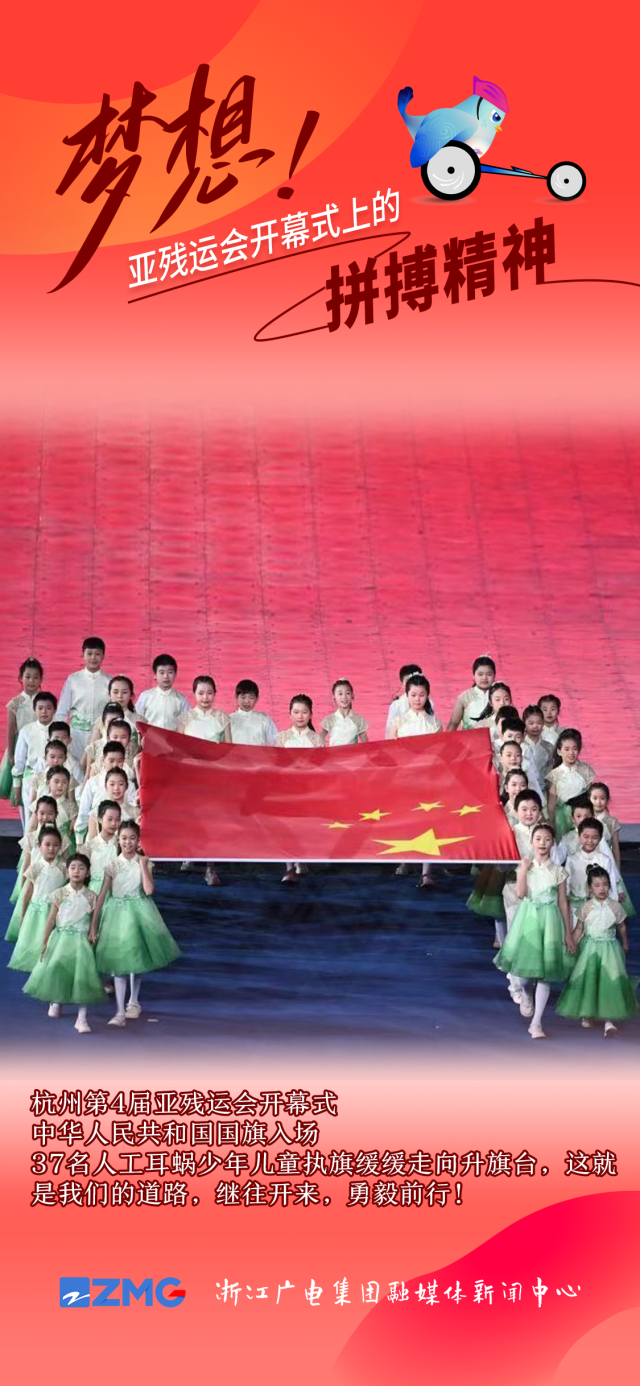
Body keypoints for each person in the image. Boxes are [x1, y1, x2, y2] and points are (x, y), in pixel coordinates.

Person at [91, 821, 180, 1026]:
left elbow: (149, 890)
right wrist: (94, 924)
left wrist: (142, 865)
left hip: (140, 912)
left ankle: (133, 1001)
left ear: (138, 840)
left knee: (137, 959)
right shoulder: (112, 865)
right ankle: (119, 1012)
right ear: (118, 840)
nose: (128, 842)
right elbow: (102, 895)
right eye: (124, 838)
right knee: (119, 964)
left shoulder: (145, 862)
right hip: (116, 915)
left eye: (132, 838)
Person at [494, 823, 575, 1039]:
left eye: (547, 839)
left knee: (545, 975)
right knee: (524, 972)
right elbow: (521, 893)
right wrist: (523, 869)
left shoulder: (559, 871)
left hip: (550, 922)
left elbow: (563, 902)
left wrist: (568, 932)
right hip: (528, 919)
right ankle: (525, 992)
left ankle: (536, 1023)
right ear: (531, 842)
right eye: (538, 839)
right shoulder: (526, 866)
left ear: (553, 843)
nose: (542, 843)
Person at [22, 853, 105, 1034]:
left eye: (81, 868)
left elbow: (94, 920)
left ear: (88, 873)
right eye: (72, 867)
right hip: (60, 939)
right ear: (67, 872)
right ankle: (57, 1001)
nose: (76, 871)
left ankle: (82, 1018)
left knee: (83, 976)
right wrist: (44, 941)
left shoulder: (92, 896)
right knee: (59, 970)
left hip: (81, 941)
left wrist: (93, 933)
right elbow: (51, 919)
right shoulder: (59, 894)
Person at [556, 865, 638, 1036]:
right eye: (597, 885)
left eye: (605, 884)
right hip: (590, 949)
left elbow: (622, 926)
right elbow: (579, 928)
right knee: (590, 979)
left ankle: (609, 1019)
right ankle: (588, 1012)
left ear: (610, 886)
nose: (602, 889)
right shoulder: (586, 907)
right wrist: (572, 941)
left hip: (609, 949)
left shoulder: (615, 906)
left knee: (609, 981)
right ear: (590, 888)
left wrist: (625, 942)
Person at [177, 677, 231, 885]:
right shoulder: (185, 718)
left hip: (214, 775)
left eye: (209, 693)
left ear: (215, 694)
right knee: (191, 816)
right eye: (201, 693)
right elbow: (178, 748)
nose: (205, 697)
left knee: (212, 820)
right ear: (194, 694)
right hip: (190, 774)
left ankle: (211, 867)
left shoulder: (223, 717)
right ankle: (189, 854)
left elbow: (229, 749)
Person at [8, 827, 67, 973]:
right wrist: (23, 914)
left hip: (54, 910)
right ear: (39, 846)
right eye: (47, 844)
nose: (51, 848)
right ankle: (34, 962)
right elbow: (28, 892)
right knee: (33, 936)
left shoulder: (64, 868)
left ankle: (46, 963)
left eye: (55, 845)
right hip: (35, 909)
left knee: (50, 939)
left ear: (60, 846)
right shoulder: (35, 867)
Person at [276, 695, 322, 883]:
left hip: (308, 789)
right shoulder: (281, 737)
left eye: (304, 712)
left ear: (310, 714)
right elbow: (276, 764)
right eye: (296, 712)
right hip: (286, 789)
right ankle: (289, 867)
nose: (300, 716)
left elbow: (321, 766)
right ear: (289, 714)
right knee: (286, 828)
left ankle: (301, 859)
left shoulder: (317, 739)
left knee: (304, 827)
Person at [57, 638, 110, 758]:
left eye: (97, 654)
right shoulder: (73, 679)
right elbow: (62, 711)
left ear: (103, 656)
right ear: (83, 655)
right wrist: (60, 735)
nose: (93, 657)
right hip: (75, 735)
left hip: (100, 736)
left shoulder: (109, 681)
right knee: (75, 766)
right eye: (89, 653)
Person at [11, 691, 58, 825]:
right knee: (30, 816)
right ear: (34, 709)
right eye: (40, 708)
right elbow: (19, 761)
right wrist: (16, 786)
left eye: (48, 708)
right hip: (31, 779)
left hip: (55, 779)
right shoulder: (26, 730)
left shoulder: (60, 730)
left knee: (53, 817)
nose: (44, 712)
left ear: (55, 710)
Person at [1, 657, 43, 799]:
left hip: (40, 744)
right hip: (20, 746)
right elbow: (10, 731)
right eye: (28, 677)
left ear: (41, 680)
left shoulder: (44, 701)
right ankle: (23, 813)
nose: (31, 681)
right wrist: (11, 754)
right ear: (20, 678)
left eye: (36, 677)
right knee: (20, 782)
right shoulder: (15, 703)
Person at [565, 818, 621, 923]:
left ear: (600, 838)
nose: (590, 841)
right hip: (576, 909)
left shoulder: (604, 860)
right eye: (586, 837)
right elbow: (566, 888)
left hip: (599, 909)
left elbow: (612, 887)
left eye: (595, 837)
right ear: (579, 836)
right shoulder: (571, 859)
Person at [546, 730, 596, 837]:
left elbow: (591, 797)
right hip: (561, 818)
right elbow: (551, 804)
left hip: (582, 816)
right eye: (567, 749)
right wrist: (551, 822)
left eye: (575, 749)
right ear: (559, 751)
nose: (571, 753)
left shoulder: (586, 770)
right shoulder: (554, 774)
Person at [135, 654, 190, 729]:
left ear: (175, 674)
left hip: (172, 736)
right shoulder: (145, 696)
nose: (166, 676)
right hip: (149, 736)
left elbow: (186, 725)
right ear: (155, 675)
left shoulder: (182, 699)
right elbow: (137, 721)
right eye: (161, 672)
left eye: (170, 672)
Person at [447, 656, 497, 730]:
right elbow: (453, 724)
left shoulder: (501, 695)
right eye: (480, 674)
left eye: (488, 674)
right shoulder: (464, 698)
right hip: (470, 737)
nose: (484, 678)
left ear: (494, 675)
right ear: (473, 676)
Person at [84, 800, 122, 894]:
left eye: (117, 820)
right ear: (100, 819)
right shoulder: (89, 846)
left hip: (116, 890)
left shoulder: (121, 844)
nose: (113, 823)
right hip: (94, 891)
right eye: (110, 819)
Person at [229, 680, 278, 746]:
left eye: (251, 698)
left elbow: (276, 742)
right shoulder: (229, 719)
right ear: (236, 697)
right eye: (243, 697)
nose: (247, 701)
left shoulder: (264, 719)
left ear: (257, 698)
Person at [321, 679, 368, 745]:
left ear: (352, 696)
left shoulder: (358, 720)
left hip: (352, 752)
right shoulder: (330, 720)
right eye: (340, 694)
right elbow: (319, 740)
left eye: (347, 693)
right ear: (334, 697)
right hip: (334, 752)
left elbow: (366, 743)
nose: (344, 697)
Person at [385, 664, 424, 737]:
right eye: (407, 681)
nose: (411, 684)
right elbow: (389, 731)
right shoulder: (396, 705)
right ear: (402, 683)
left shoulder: (429, 703)